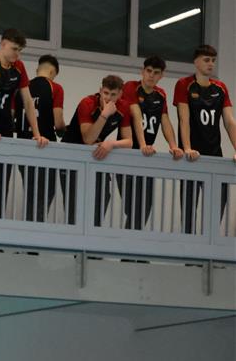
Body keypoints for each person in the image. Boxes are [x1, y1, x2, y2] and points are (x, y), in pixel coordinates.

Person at [0, 29, 47, 218]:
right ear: (3, 44)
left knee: (2, 182)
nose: (17, 54)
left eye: (20, 50)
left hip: (5, 126)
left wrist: (37, 133)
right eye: (14, 49)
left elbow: (28, 101)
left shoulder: (19, 67)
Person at [174, 44, 236, 233]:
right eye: (206, 60)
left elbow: (229, 122)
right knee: (189, 209)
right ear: (196, 62)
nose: (211, 64)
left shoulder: (220, 88)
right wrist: (187, 148)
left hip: (214, 154)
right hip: (192, 157)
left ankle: (210, 243)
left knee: (217, 204)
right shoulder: (184, 84)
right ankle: (189, 247)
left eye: (213, 61)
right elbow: (184, 119)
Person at [120, 56, 183, 229]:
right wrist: (142, 145)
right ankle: (128, 242)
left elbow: (165, 121)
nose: (151, 75)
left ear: (161, 75)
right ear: (142, 71)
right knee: (132, 207)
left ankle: (132, 244)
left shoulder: (161, 94)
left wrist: (173, 146)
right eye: (148, 71)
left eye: (156, 73)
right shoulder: (131, 87)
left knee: (144, 207)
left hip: (146, 158)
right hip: (127, 154)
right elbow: (136, 115)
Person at [62, 75, 132, 225]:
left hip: (94, 157)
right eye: (105, 93)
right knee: (74, 203)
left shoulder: (124, 107)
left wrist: (111, 143)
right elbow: (88, 139)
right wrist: (104, 114)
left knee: (103, 197)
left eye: (113, 94)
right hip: (71, 157)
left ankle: (93, 233)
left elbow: (129, 142)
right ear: (100, 91)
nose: (108, 98)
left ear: (120, 94)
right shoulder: (87, 103)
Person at [14, 54, 66, 222]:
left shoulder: (22, 88)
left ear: (37, 70)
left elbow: (12, 116)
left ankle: (30, 226)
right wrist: (64, 130)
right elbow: (58, 122)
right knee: (45, 192)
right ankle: (36, 227)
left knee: (30, 191)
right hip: (45, 147)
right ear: (53, 72)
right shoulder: (55, 88)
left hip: (23, 147)